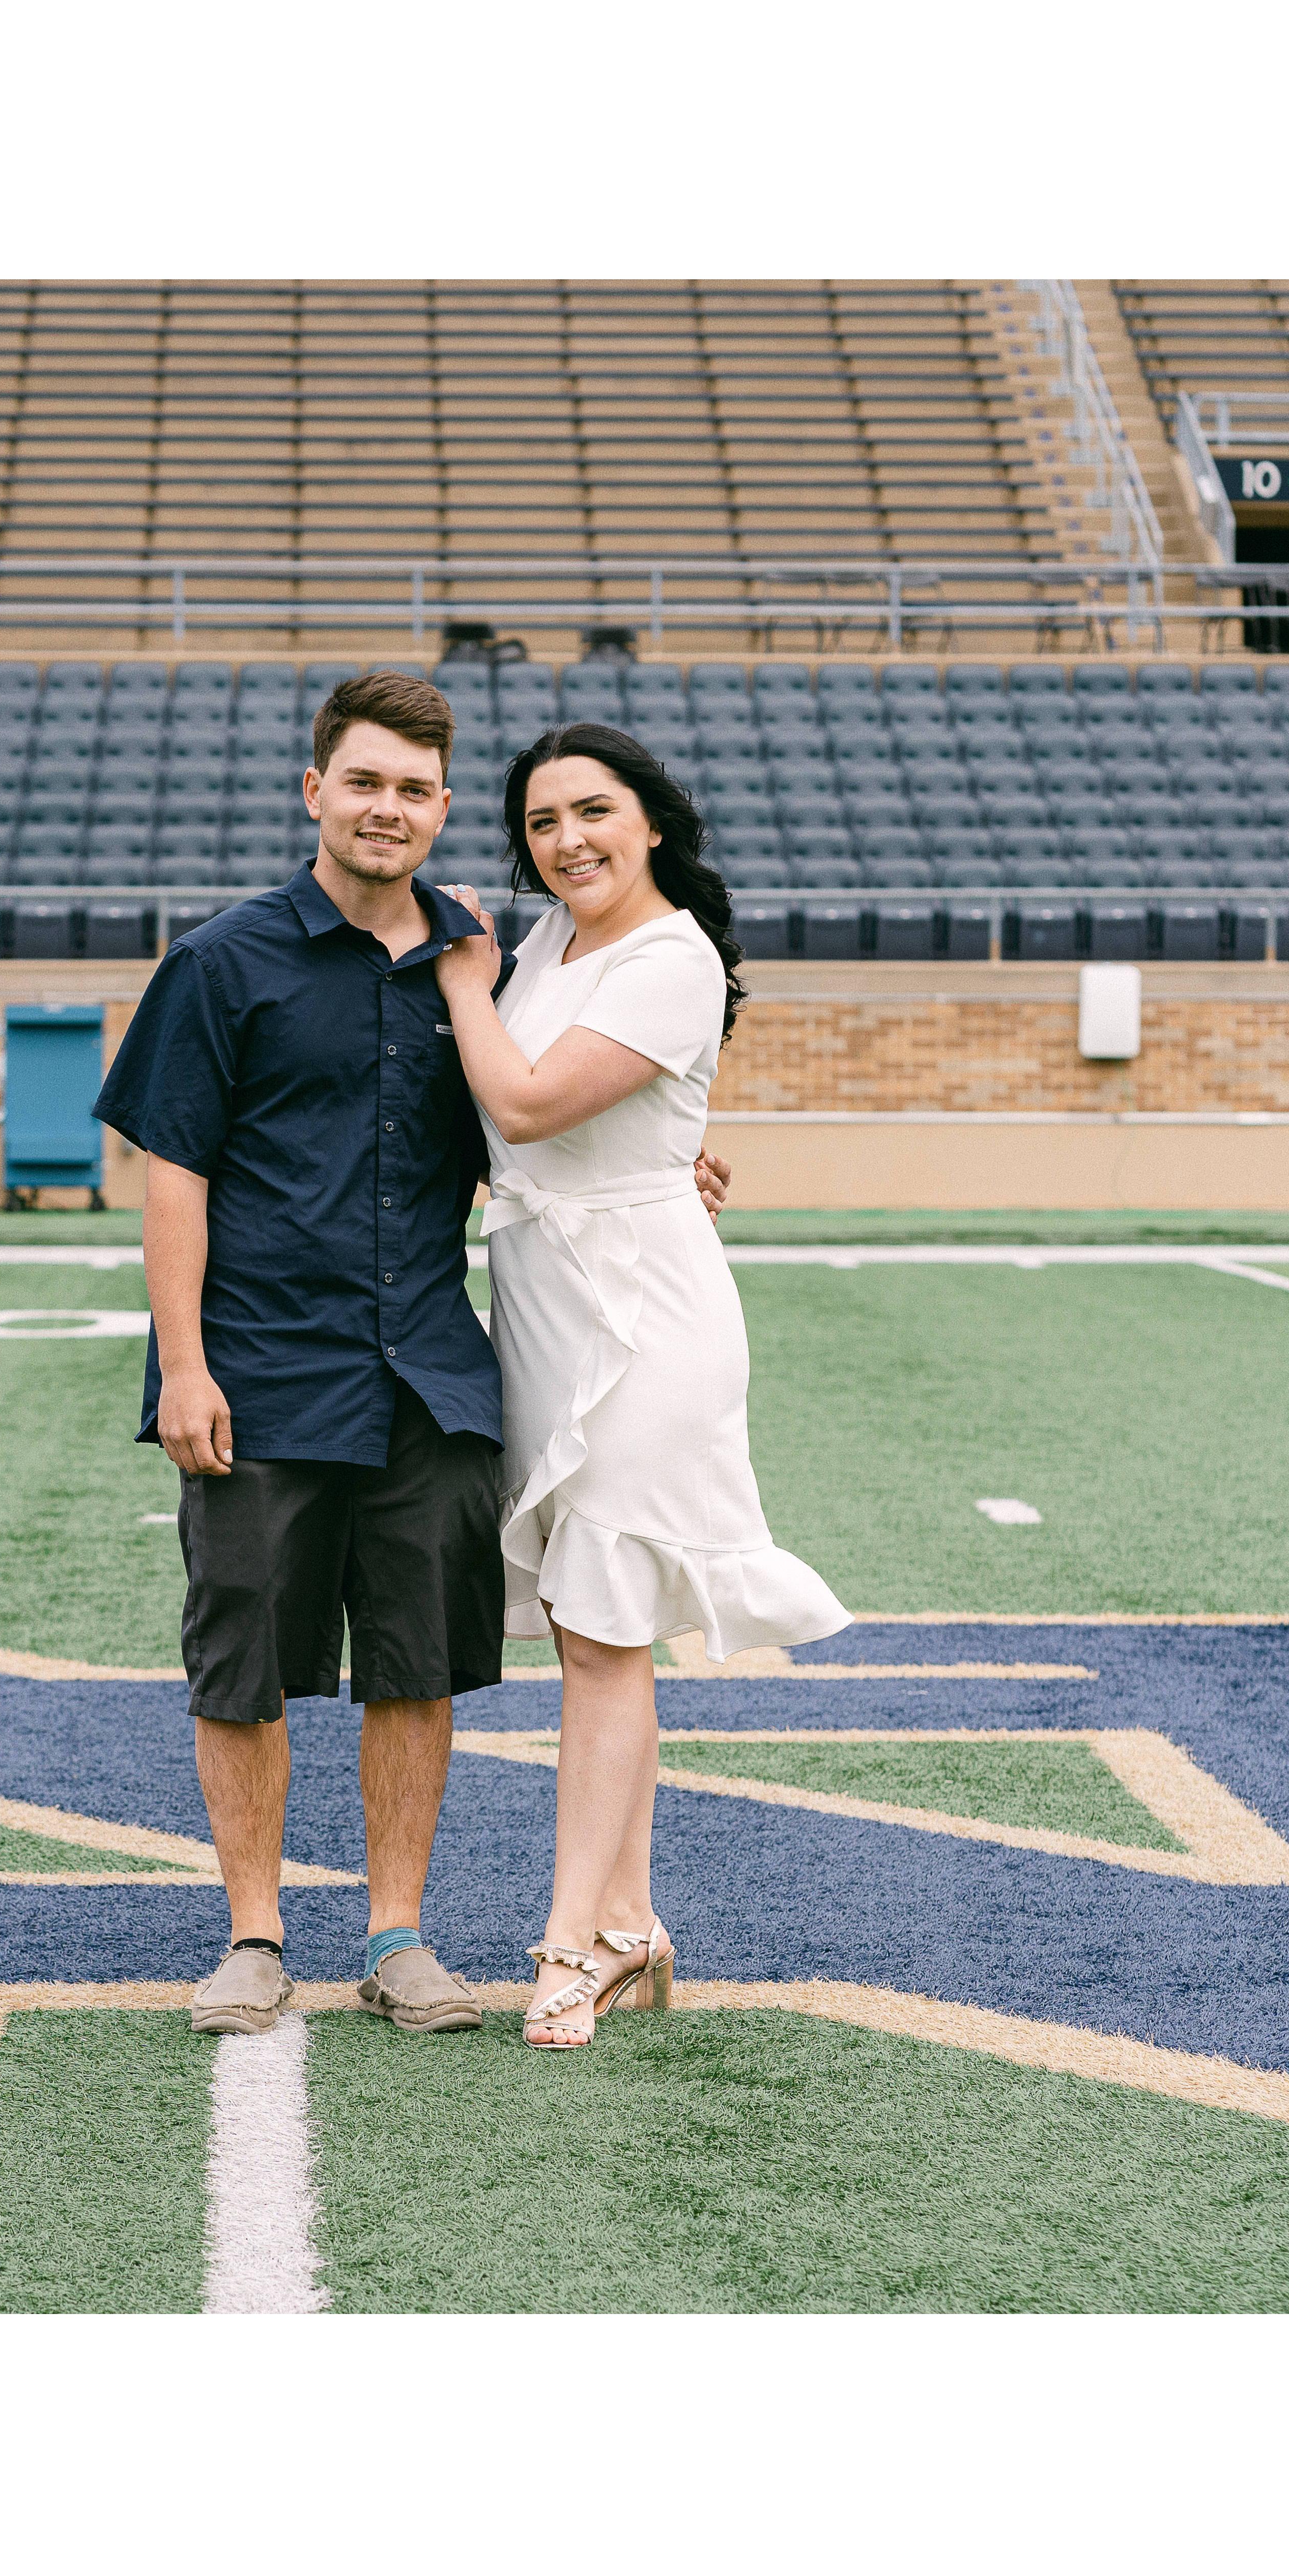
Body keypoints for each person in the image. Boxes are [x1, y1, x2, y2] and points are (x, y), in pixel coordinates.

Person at [92, 672, 729, 2039]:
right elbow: (172, 1172)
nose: (388, 809)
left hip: (431, 1372)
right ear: (314, 791)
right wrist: (184, 1365)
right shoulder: (222, 961)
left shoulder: (482, 960)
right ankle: (254, 1934)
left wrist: (673, 1169)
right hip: (261, 1366)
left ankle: (399, 1935)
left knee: (415, 1666)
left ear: (443, 810)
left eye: (416, 790)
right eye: (364, 783)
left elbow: (548, 1113)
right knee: (242, 1666)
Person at [435, 722, 848, 2049]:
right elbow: (527, 1130)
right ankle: (629, 1924)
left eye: (593, 811)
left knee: (607, 1626)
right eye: (542, 822)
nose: (568, 841)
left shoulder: (673, 956)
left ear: (651, 820)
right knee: (592, 1630)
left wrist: (460, 980)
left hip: (644, 1320)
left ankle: (570, 1943)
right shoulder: (554, 939)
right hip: (554, 1305)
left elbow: (527, 1104)